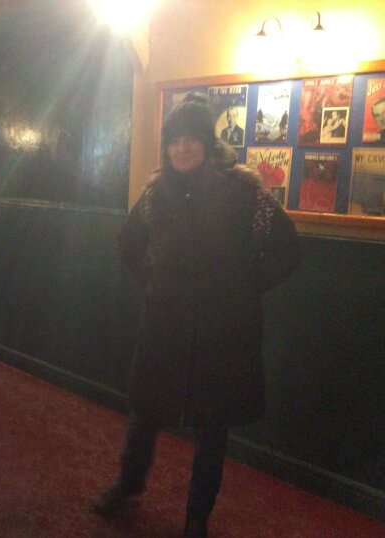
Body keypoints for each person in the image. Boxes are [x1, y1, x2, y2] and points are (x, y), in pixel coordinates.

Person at [92, 94, 301, 538]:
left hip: (224, 330)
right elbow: (129, 243)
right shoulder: (156, 193)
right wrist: (154, 283)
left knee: (212, 426)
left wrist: (245, 290)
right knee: (144, 412)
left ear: (207, 142)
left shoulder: (243, 191)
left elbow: (287, 248)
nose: (182, 148)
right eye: (174, 140)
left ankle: (196, 518)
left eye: (190, 138)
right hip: (165, 324)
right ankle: (128, 484)